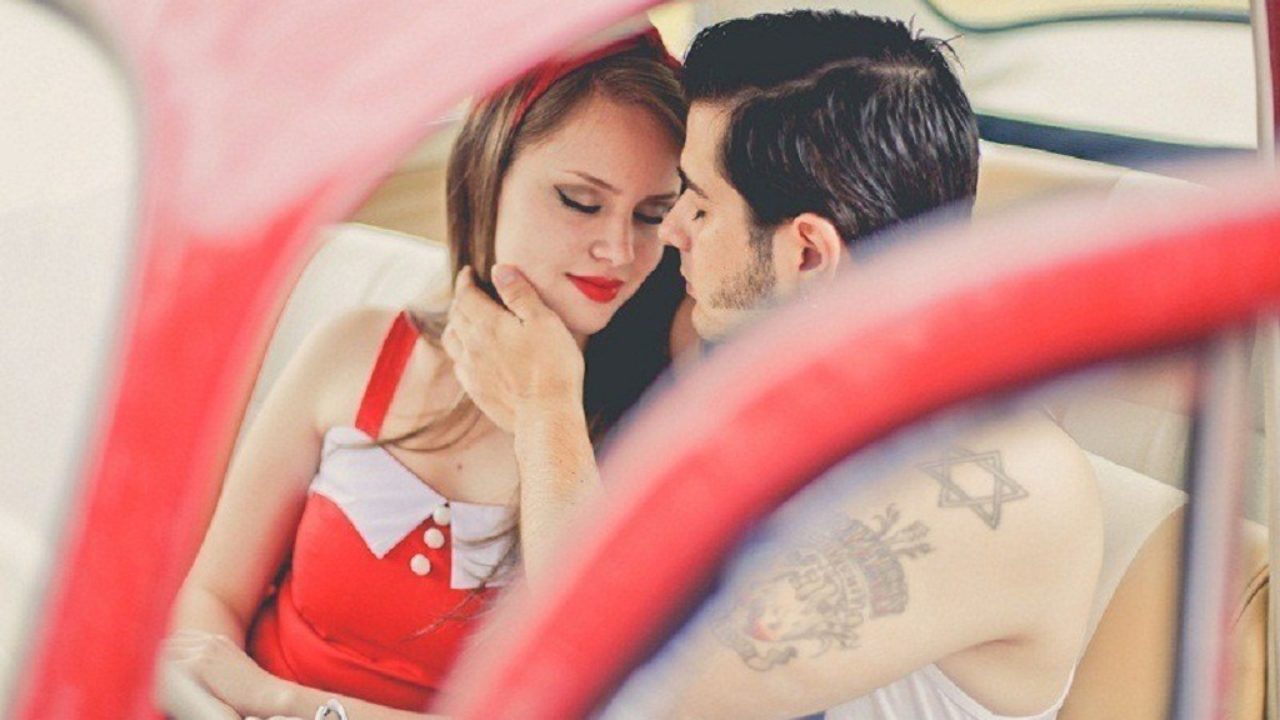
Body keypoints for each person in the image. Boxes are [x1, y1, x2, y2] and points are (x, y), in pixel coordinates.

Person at [446, 10, 1102, 720]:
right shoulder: (759, 360)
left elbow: (614, 675)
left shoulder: (1008, 484)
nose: (671, 231)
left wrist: (545, 411)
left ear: (808, 255)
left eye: (699, 206)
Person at [159, 26, 688, 720]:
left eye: (652, 215)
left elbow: (591, 684)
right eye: (580, 201)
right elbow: (211, 599)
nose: (618, 249)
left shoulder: (652, 431)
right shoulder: (354, 349)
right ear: (488, 177)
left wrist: (280, 700)